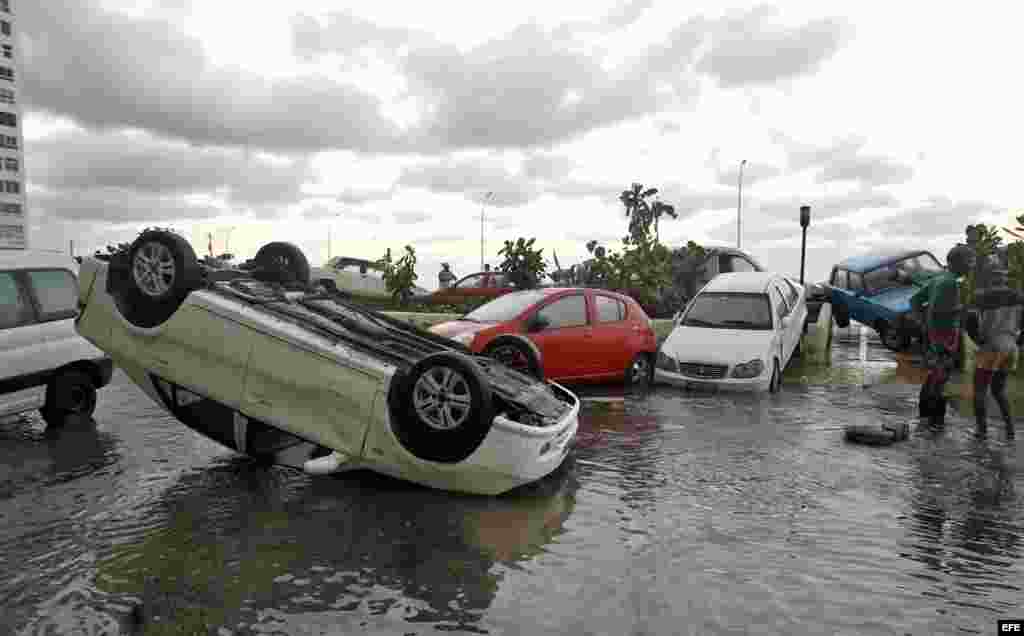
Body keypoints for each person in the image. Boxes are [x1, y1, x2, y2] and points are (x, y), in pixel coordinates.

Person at [911, 244, 976, 426]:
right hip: (944, 341)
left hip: (935, 339)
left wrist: (923, 325)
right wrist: (962, 311)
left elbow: (914, 301)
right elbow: (941, 312)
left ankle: (925, 420)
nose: (972, 266)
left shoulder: (940, 279)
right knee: (939, 382)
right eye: (970, 261)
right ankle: (934, 423)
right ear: (959, 262)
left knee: (934, 377)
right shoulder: (950, 283)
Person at [970, 267, 1020, 438]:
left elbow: (970, 319)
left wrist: (977, 339)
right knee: (999, 391)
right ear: (1005, 278)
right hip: (1010, 347)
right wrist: (1017, 341)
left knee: (979, 390)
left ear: (989, 278)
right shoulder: (1018, 296)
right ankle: (1010, 430)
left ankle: (981, 431)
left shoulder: (981, 297)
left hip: (990, 347)